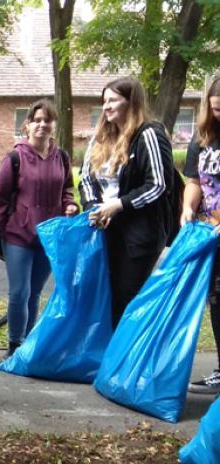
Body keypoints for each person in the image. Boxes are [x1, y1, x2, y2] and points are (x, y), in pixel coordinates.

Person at [0, 99, 78, 357]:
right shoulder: (15, 158)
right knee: (19, 292)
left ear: (54, 124)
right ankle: (14, 345)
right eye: (37, 120)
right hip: (18, 236)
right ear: (28, 125)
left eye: (47, 120)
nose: (42, 125)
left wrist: (70, 205)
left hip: (49, 236)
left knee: (34, 293)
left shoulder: (62, 157)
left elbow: (67, 190)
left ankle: (27, 346)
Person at [80, 77, 175, 326]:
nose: (106, 107)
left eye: (113, 100)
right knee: (106, 297)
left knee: (127, 298)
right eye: (104, 101)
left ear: (131, 102)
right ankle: (111, 358)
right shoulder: (100, 137)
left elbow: (158, 185)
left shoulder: (150, 134)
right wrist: (92, 207)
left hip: (140, 235)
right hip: (105, 229)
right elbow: (85, 180)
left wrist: (119, 204)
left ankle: (127, 360)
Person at [182, 78, 220, 394]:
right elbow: (195, 179)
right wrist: (187, 208)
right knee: (216, 300)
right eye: (215, 108)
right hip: (209, 233)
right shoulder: (203, 138)